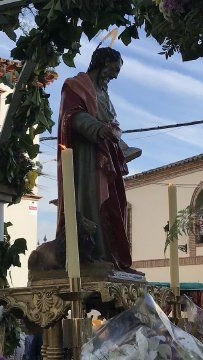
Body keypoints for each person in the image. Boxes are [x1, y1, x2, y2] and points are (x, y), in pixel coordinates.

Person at [56, 47, 139, 273]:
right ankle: (93, 254)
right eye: (113, 69)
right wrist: (98, 129)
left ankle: (112, 256)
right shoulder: (75, 85)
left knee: (115, 202)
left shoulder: (105, 93)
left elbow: (112, 121)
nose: (115, 76)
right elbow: (71, 116)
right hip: (86, 157)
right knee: (92, 200)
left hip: (108, 154)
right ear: (101, 63)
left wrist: (115, 133)